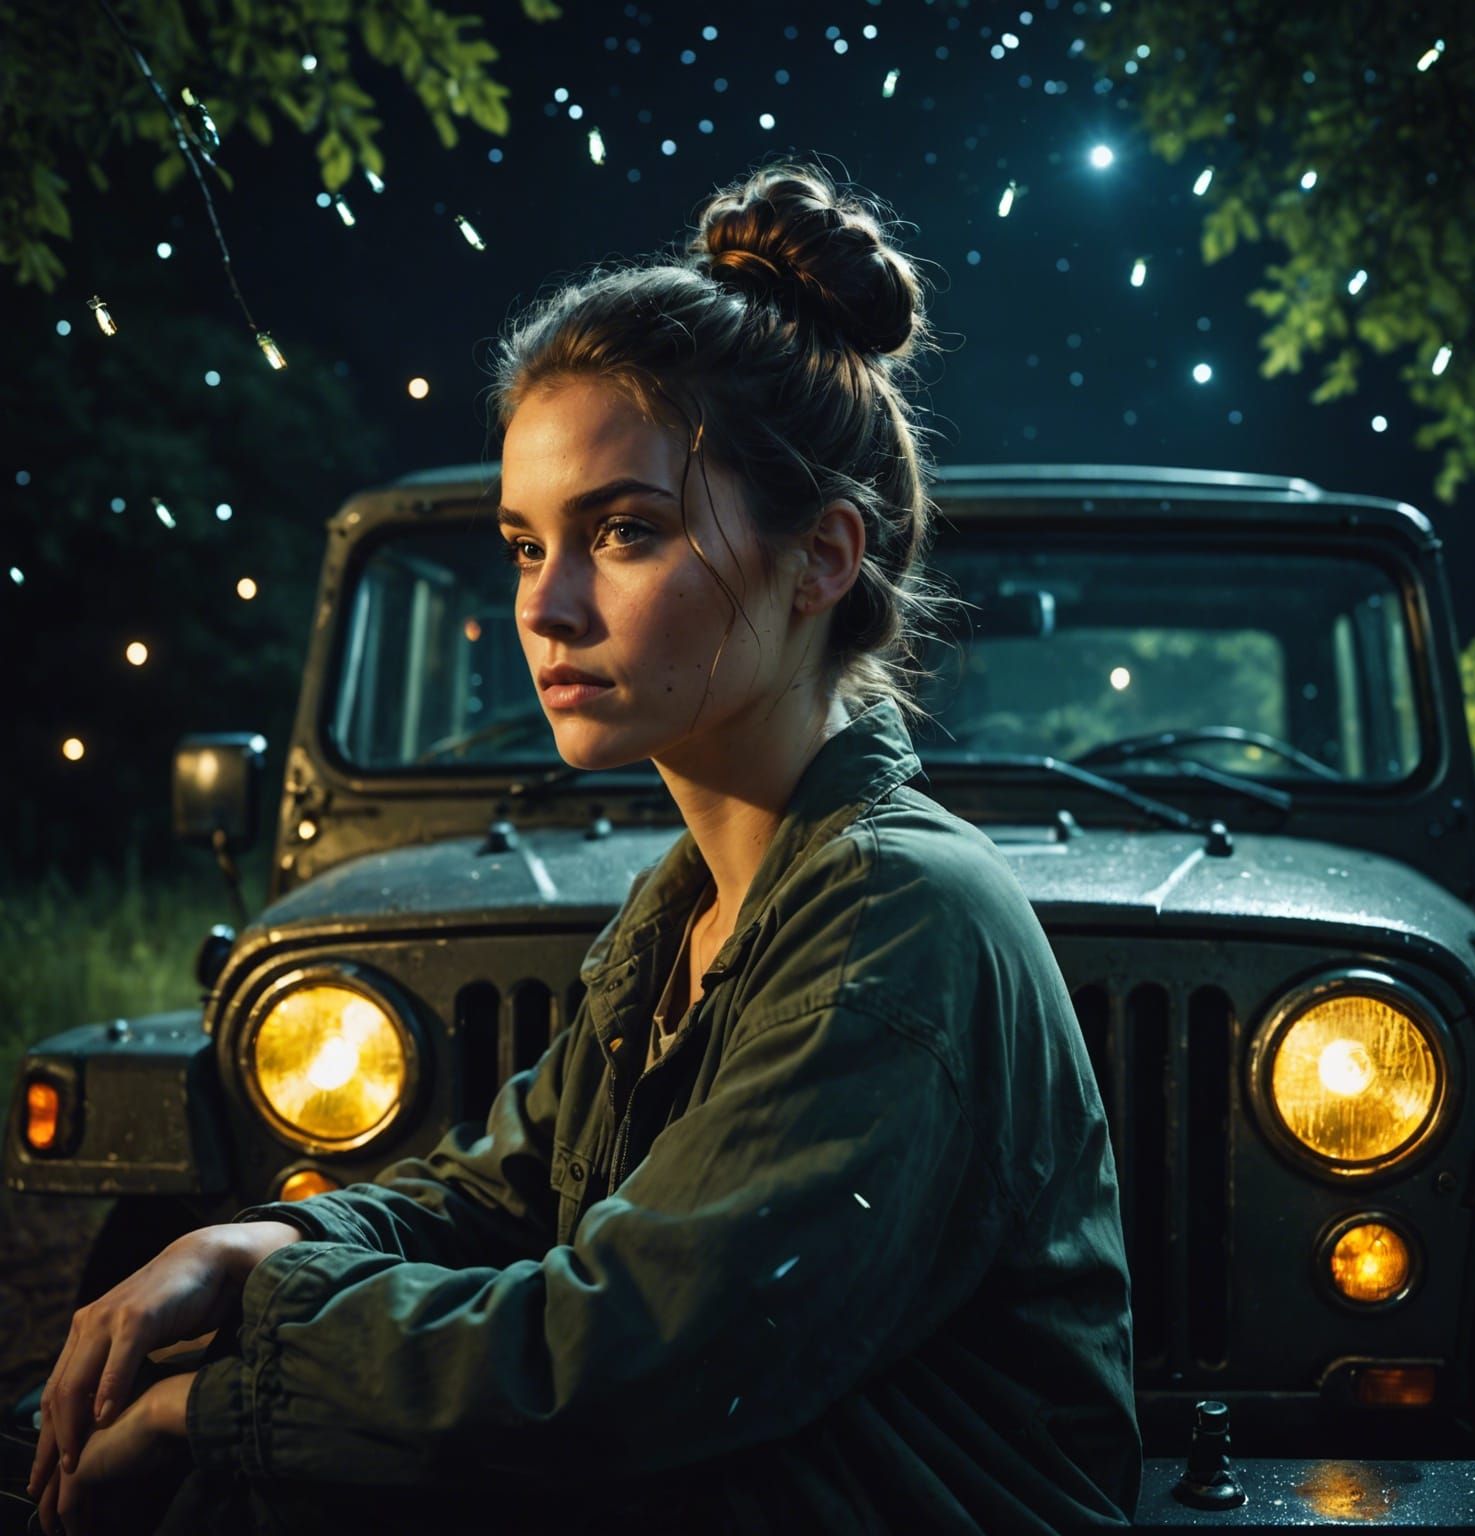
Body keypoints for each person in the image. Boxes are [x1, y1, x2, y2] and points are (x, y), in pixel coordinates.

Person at [24, 160, 1141, 1535]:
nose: (543, 609)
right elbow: (503, 1195)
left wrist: (226, 1399)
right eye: (521, 543)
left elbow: (620, 1364)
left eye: (623, 532)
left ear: (824, 558)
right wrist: (260, 1241)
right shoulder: (685, 916)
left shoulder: (899, 909)